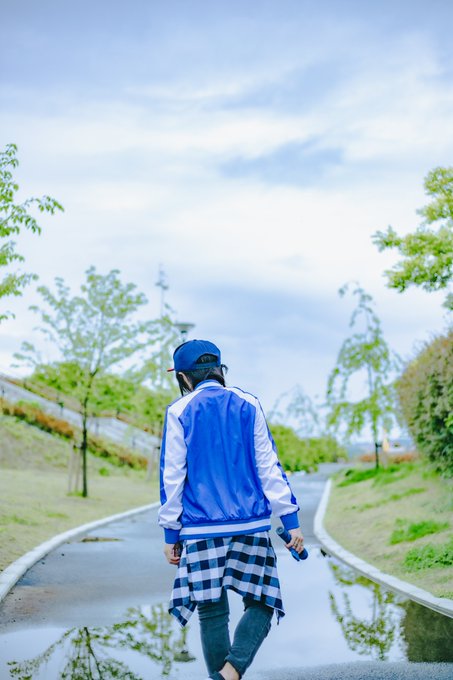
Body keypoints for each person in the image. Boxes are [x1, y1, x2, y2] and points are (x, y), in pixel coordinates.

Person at [158, 339, 304, 680]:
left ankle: (225, 676)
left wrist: (170, 534)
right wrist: (290, 520)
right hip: (250, 524)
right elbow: (269, 467)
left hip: (200, 529)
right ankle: (231, 672)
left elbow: (172, 477)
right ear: (219, 370)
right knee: (263, 601)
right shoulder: (249, 404)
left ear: (183, 377)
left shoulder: (179, 411)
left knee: (211, 611)